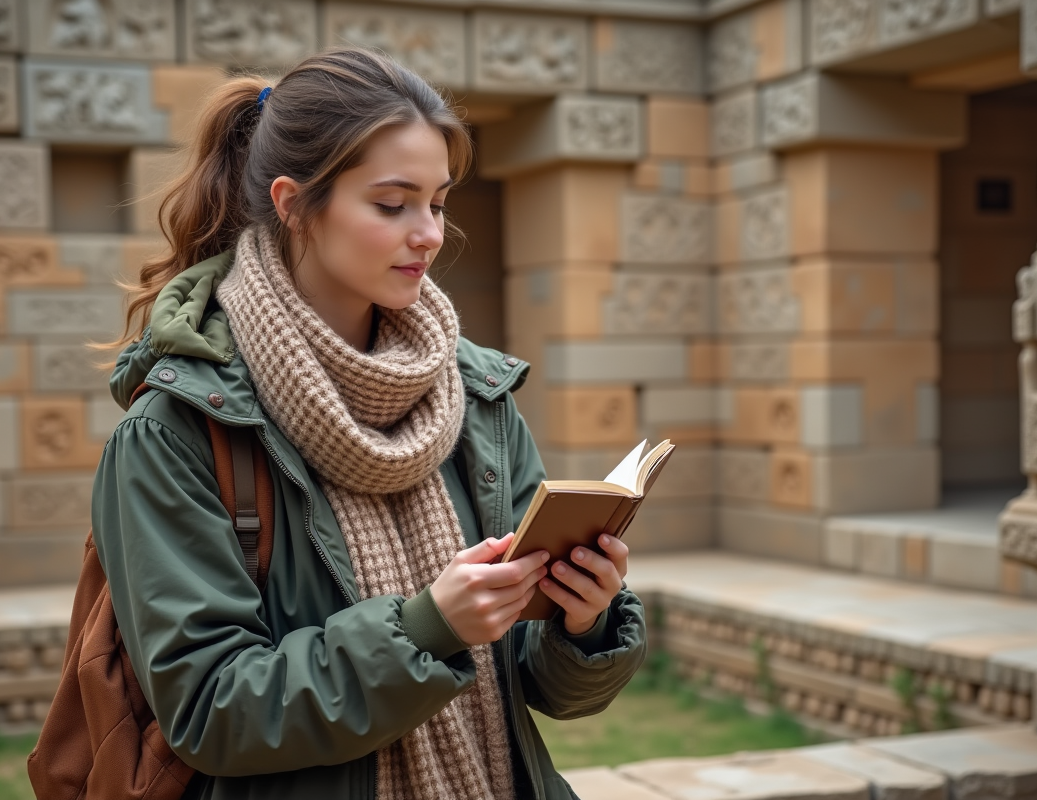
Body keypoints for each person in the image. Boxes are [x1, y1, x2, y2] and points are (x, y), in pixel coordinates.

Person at [96, 46, 646, 800]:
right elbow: (211, 710)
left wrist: (582, 623)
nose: (428, 234)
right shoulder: (178, 431)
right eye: (393, 204)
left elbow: (541, 688)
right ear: (293, 204)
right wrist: (426, 629)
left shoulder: (476, 398)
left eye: (439, 202)